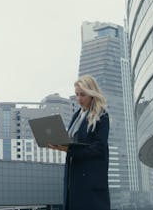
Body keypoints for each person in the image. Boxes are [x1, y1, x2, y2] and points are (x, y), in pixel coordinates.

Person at [49, 75, 110, 210]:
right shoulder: (76, 115)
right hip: (73, 179)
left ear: (92, 94)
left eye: (82, 95)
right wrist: (59, 144)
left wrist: (68, 150)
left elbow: (99, 148)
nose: (79, 99)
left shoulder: (102, 116)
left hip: (90, 181)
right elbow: (73, 142)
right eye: (76, 94)